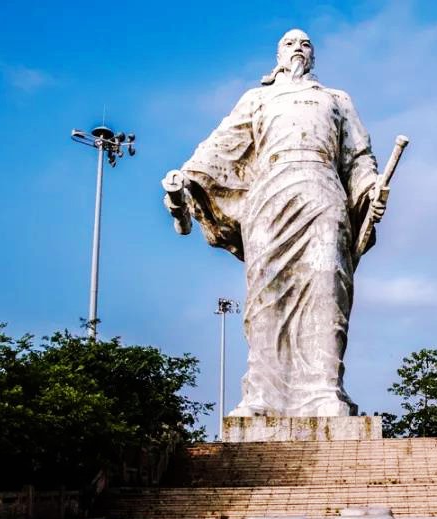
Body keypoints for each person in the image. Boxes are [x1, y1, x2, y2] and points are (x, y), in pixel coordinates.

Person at [163, 29, 389, 417]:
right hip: (269, 196)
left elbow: (358, 157)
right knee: (266, 295)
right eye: (290, 43)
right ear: (277, 54)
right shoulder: (257, 98)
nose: (298, 48)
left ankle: (323, 390)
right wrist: (183, 181)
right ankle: (262, 396)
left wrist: (371, 188)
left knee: (326, 284)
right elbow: (218, 147)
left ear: (313, 56)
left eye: (305, 44)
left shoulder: (336, 99)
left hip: (322, 190)